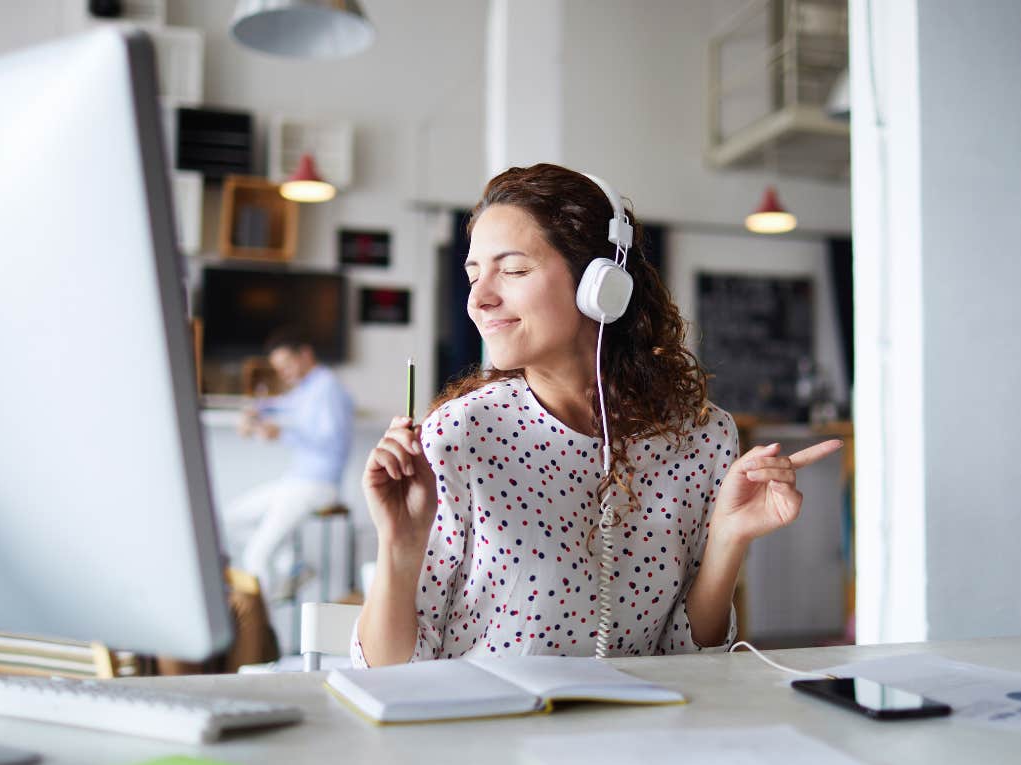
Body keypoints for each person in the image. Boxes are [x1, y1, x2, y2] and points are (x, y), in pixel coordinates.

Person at [354, 164, 841, 666]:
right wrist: (398, 546)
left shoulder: (703, 436)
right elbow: (390, 674)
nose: (479, 299)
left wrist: (728, 539)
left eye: (514, 270)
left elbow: (689, 659)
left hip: (636, 736)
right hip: (486, 734)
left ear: (602, 284)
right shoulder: (461, 434)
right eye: (473, 275)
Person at [224, 327, 354, 597]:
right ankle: (292, 566)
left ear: (305, 354)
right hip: (295, 482)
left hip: (318, 486)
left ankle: (261, 632)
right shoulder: (308, 388)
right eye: (278, 368)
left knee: (257, 554)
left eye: (286, 365)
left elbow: (332, 444)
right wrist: (255, 411)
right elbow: (282, 404)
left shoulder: (327, 386)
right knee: (230, 520)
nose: (284, 373)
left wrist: (282, 433)